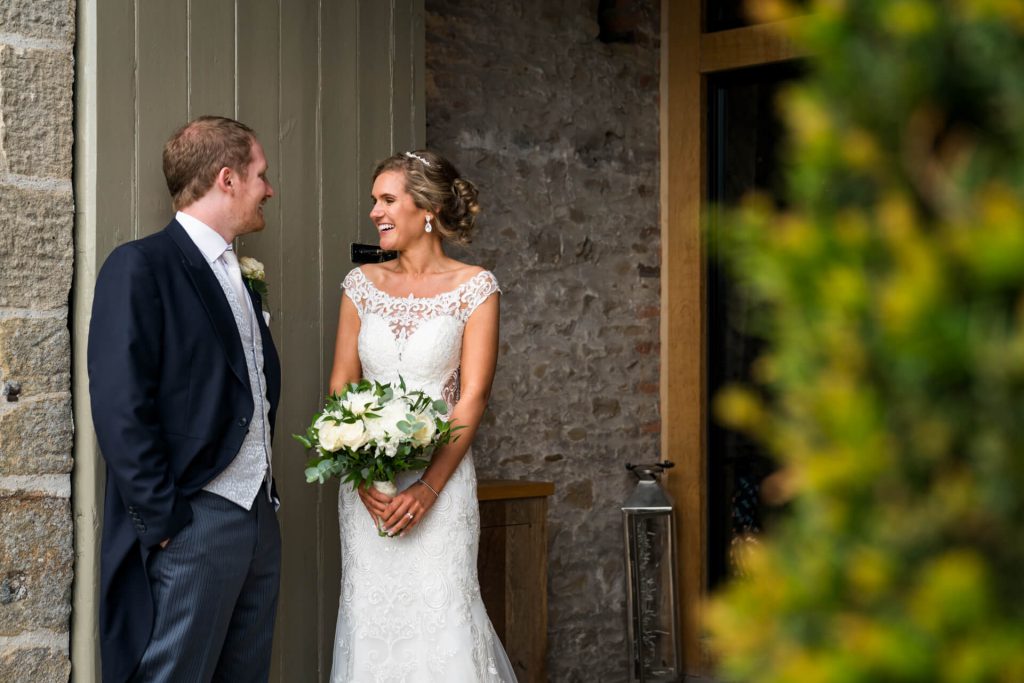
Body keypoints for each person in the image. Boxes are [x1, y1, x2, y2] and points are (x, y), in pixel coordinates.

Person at [88, 115, 281, 683]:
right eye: (261, 175)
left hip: (258, 518)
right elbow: (121, 404)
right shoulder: (141, 265)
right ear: (227, 178)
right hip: (192, 523)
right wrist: (166, 521)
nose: (269, 189)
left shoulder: (240, 275)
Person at [328, 150, 516, 681]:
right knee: (373, 625)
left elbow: (472, 397)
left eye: (387, 200)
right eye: (374, 201)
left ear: (427, 209)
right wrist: (359, 475)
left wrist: (428, 489)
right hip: (369, 495)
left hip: (442, 491)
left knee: (443, 623)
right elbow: (342, 386)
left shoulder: (476, 287)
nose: (375, 212)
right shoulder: (361, 284)